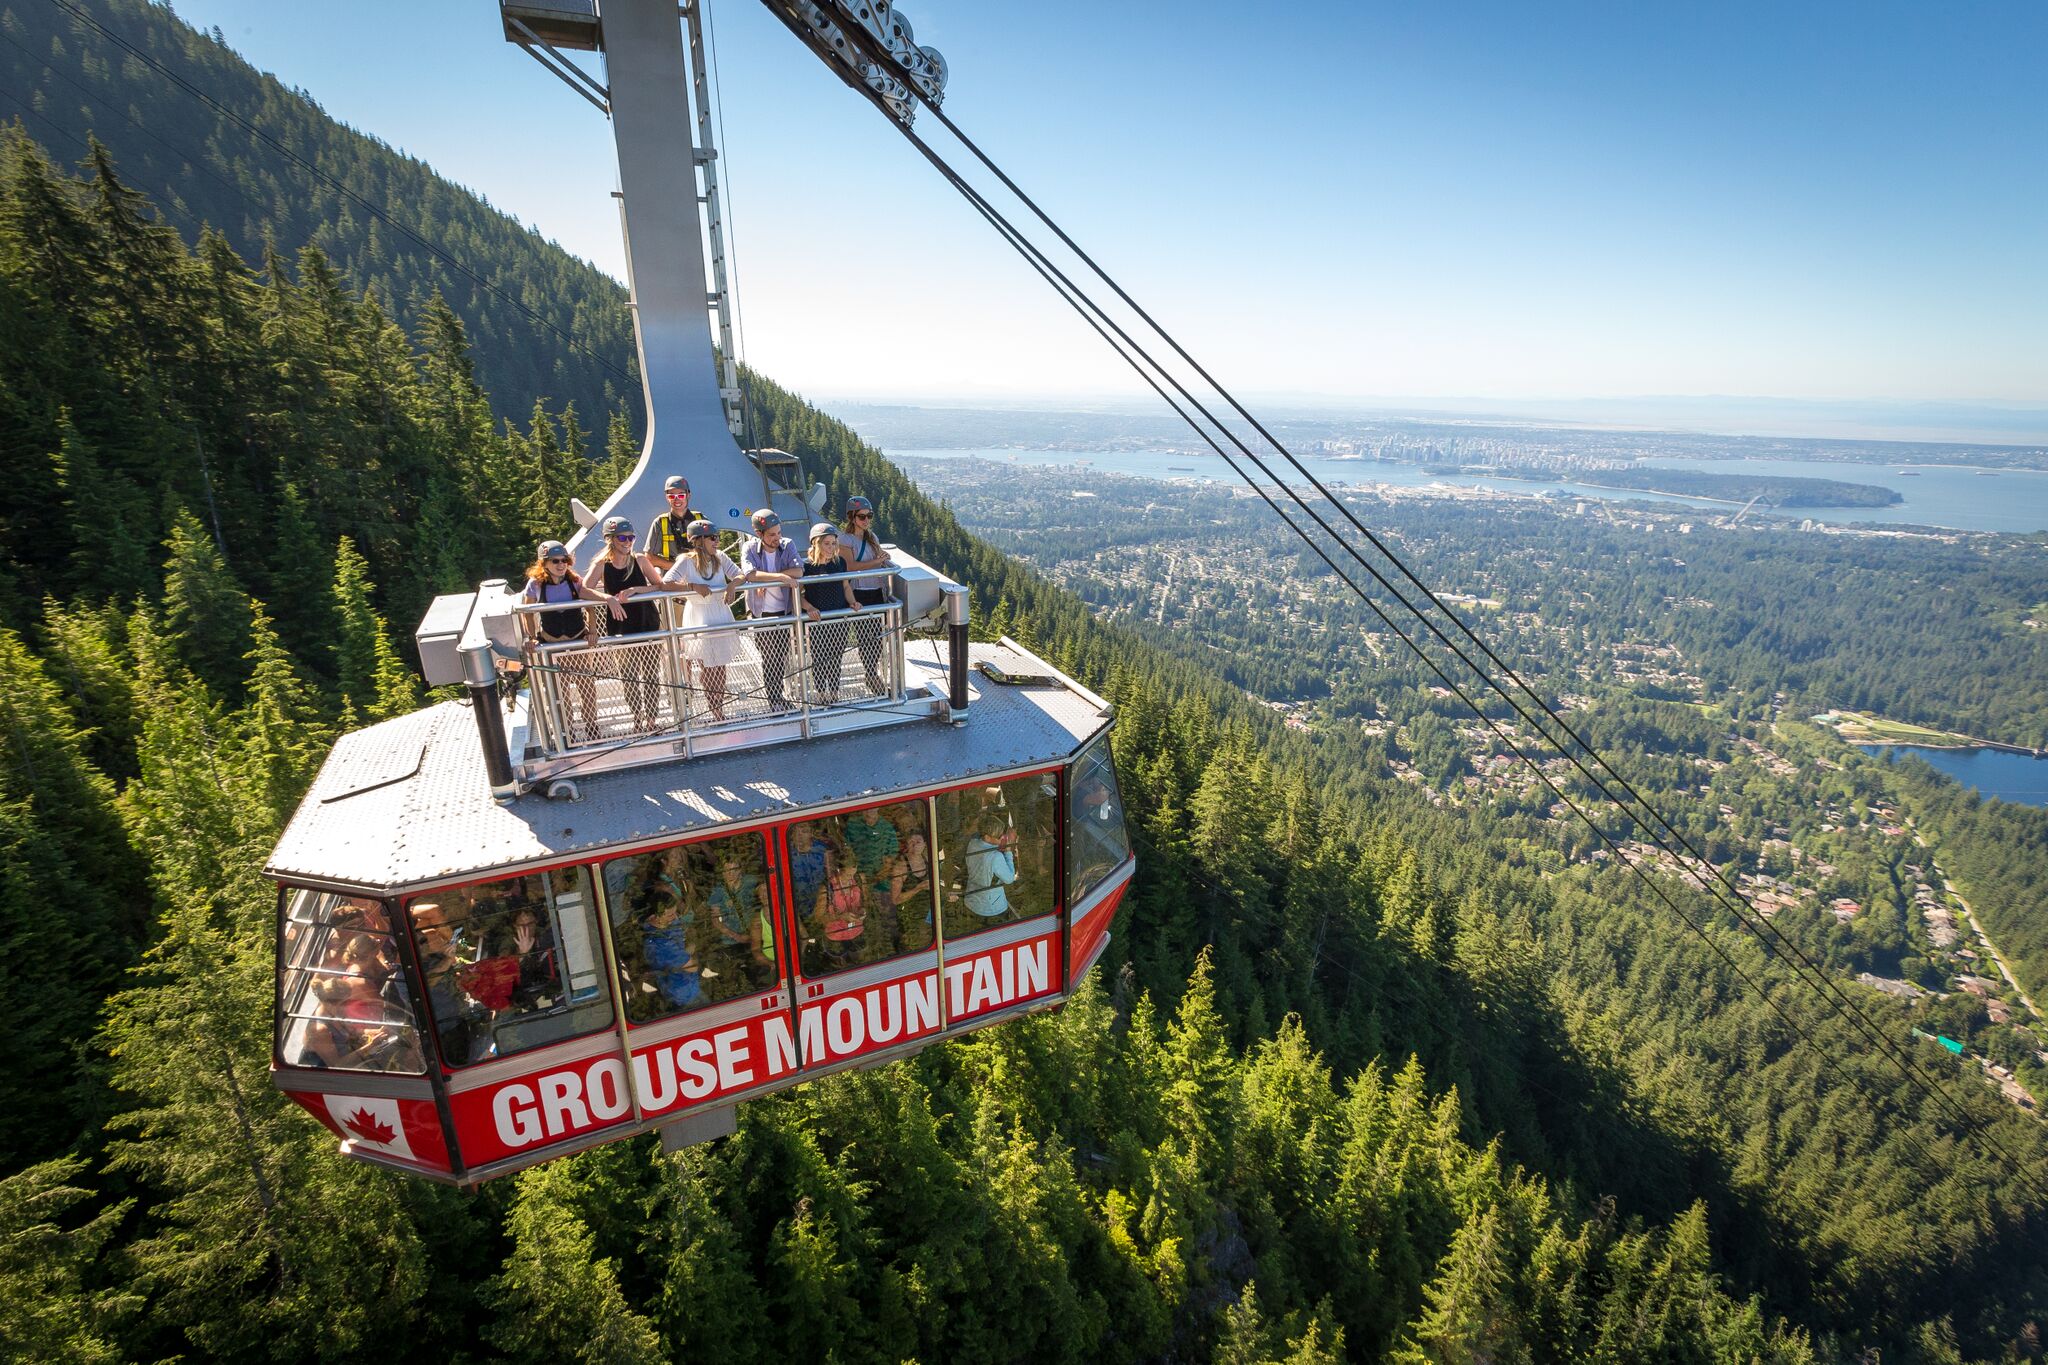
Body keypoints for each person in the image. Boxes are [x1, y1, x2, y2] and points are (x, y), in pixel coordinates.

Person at [521, 539, 614, 743]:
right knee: (559, 691)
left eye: (564, 560)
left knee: (586, 686)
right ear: (543, 563)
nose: (561, 565)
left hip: (576, 639)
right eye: (555, 561)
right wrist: (532, 637)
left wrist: (592, 631)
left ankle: (592, 726)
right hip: (552, 644)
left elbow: (589, 604)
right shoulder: (536, 585)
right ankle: (566, 730)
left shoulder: (573, 581)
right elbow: (527, 612)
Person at [663, 520, 748, 722]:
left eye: (717, 537)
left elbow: (741, 574)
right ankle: (715, 708)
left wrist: (732, 585)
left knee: (721, 665)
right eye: (713, 538)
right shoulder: (686, 561)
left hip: (719, 613)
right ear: (699, 540)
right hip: (700, 616)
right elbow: (667, 583)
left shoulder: (720, 557)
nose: (717, 542)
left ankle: (719, 706)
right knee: (707, 665)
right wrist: (692, 586)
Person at [585, 516, 665, 732]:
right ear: (611, 539)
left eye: (631, 537)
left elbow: (660, 586)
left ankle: (651, 718)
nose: (627, 542)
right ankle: (637, 717)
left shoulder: (639, 560)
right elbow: (584, 591)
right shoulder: (602, 565)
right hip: (621, 625)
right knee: (628, 675)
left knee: (650, 674)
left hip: (647, 621)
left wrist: (637, 589)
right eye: (622, 537)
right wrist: (607, 598)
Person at [739, 509, 807, 711]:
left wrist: (770, 578)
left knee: (780, 656)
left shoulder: (787, 545)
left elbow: (799, 570)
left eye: (778, 532)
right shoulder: (749, 548)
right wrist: (781, 578)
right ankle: (775, 699)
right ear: (759, 534)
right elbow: (750, 574)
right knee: (770, 658)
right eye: (772, 534)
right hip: (762, 612)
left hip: (783, 610)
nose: (777, 538)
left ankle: (778, 697)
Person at [838, 496, 893, 695]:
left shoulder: (871, 536)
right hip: (859, 592)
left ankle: (872, 674)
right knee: (865, 636)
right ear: (852, 517)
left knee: (876, 637)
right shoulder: (845, 540)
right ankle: (870, 674)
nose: (866, 520)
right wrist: (876, 562)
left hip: (876, 591)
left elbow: (879, 555)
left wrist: (882, 558)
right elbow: (850, 567)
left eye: (869, 516)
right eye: (862, 517)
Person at [800, 523, 853, 704]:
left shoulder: (840, 563)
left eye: (833, 543)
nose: (831, 548)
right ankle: (821, 692)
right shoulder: (806, 567)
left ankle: (834, 692)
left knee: (836, 655)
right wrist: (808, 608)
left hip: (838, 615)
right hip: (818, 618)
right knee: (820, 656)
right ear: (816, 544)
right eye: (827, 544)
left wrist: (853, 602)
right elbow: (798, 594)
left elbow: (845, 585)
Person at [638, 893, 703, 1011]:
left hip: (692, 986)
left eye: (675, 912)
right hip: (681, 996)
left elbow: (688, 933)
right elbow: (692, 967)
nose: (675, 917)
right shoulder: (660, 944)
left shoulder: (669, 921)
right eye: (670, 915)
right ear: (655, 916)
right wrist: (692, 948)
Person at [963, 813, 1020, 920]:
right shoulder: (995, 857)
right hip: (991, 908)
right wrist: (1008, 853)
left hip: (971, 900)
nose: (1003, 837)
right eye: (999, 836)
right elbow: (1009, 879)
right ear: (987, 837)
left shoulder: (972, 843)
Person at [647, 475, 707, 573]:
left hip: (699, 574)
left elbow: (712, 549)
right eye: (671, 496)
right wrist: (678, 567)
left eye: (681, 495)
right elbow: (649, 557)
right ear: (667, 498)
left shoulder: (701, 519)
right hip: (672, 579)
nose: (676, 499)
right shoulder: (660, 523)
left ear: (688, 495)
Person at [786, 820, 831, 921]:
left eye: (804, 831)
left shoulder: (822, 849)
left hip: (824, 907)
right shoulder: (786, 853)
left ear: (811, 833)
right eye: (795, 832)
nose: (799, 836)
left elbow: (831, 877)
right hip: (798, 911)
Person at [844, 805, 900, 884]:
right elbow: (846, 849)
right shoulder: (852, 825)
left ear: (878, 807)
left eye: (873, 807)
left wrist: (884, 871)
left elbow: (893, 851)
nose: (869, 810)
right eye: (866, 807)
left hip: (881, 875)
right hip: (858, 875)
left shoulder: (886, 827)